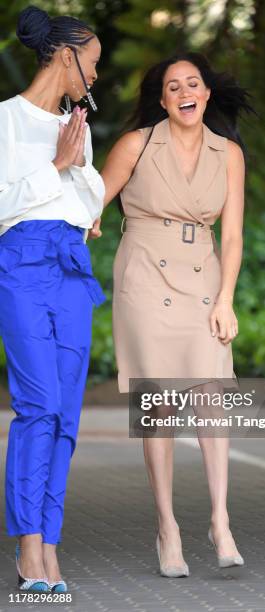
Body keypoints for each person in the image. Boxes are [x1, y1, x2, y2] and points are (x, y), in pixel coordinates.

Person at [100, 52, 252, 577]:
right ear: (162, 100)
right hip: (144, 275)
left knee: (213, 398)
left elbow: (232, 236)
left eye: (193, 83)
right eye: (172, 87)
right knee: (161, 407)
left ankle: (220, 520)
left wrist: (226, 297)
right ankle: (167, 528)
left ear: (207, 93)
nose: (184, 92)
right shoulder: (137, 145)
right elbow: (91, 203)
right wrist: (88, 222)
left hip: (203, 277)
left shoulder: (228, 153)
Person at [0, 5, 105, 592]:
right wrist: (56, 166)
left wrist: (78, 166)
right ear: (66, 59)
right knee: (37, 406)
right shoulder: (5, 121)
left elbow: (88, 205)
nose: (95, 76)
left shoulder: (75, 126)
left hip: (70, 268)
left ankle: (51, 542)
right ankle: (28, 548)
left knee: (65, 414)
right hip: (20, 267)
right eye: (91, 64)